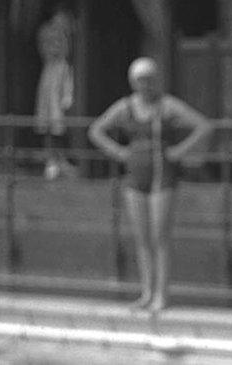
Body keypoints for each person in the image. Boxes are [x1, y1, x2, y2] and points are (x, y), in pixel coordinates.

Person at [88, 57, 213, 311]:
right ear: (133, 82)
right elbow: (97, 130)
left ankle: (161, 294)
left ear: (156, 81)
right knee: (141, 238)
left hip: (161, 176)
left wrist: (180, 151)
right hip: (135, 175)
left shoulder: (166, 106)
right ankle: (147, 291)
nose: (145, 85)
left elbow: (203, 126)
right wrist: (118, 152)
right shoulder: (125, 107)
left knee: (160, 237)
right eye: (140, 80)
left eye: (150, 80)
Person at [34, 1, 76, 180]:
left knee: (60, 121)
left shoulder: (67, 31)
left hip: (62, 72)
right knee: (49, 119)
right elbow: (48, 49)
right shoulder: (47, 31)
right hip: (52, 73)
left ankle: (61, 160)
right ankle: (51, 161)